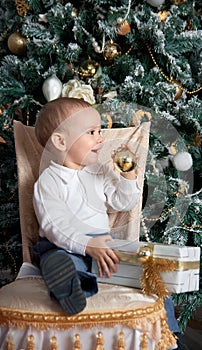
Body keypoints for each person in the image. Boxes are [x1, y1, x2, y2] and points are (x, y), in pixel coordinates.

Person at [32, 97, 141, 315]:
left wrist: (128, 173)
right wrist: (86, 244)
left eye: (100, 131)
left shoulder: (99, 171)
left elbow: (124, 201)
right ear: (61, 142)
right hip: (61, 246)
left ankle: (171, 335)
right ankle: (70, 288)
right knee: (64, 262)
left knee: (143, 273)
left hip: (102, 246)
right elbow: (56, 225)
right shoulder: (49, 181)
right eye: (92, 132)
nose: (101, 139)